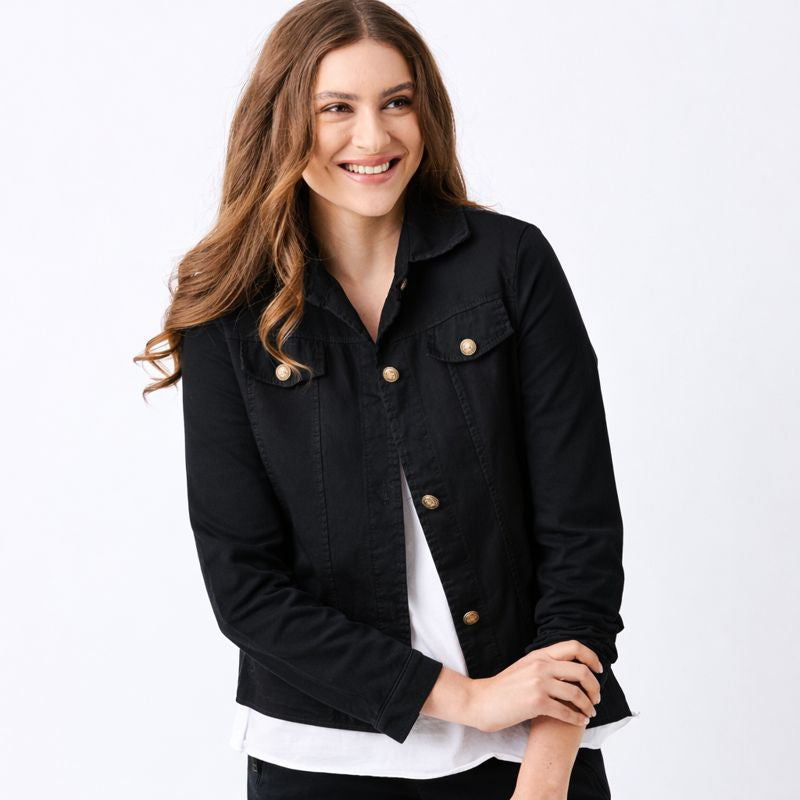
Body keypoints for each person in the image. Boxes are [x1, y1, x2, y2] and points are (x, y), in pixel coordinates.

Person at [136, 1, 637, 797]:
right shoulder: (229, 314)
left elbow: (581, 540)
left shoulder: (511, 265)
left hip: (529, 756)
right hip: (320, 761)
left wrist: (546, 771)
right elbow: (247, 590)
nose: (372, 138)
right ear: (282, 122)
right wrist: (467, 700)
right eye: (336, 108)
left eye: (396, 102)